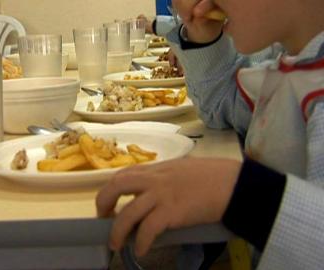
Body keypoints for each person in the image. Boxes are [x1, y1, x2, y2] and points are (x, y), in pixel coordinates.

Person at [97, 0, 324, 269]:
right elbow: (220, 105)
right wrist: (203, 37)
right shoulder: (290, 65)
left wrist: (236, 191)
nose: (201, 5)